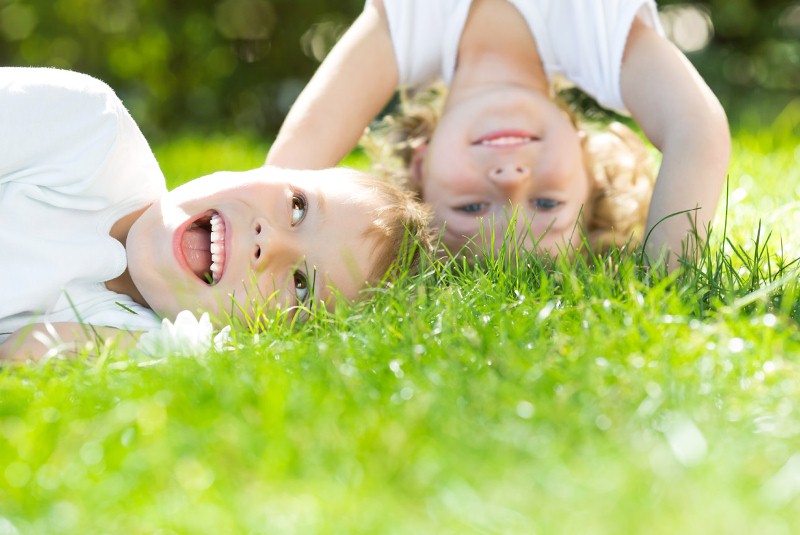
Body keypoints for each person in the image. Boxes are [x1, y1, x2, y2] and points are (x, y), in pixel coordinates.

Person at [0, 67, 431, 361]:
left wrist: (172, 348)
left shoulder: (137, 334)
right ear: (273, 168)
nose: (272, 244)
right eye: (297, 207)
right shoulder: (88, 128)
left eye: (301, 288)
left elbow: (26, 353)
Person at [266, 0, 731, 266]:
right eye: (547, 204)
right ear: (587, 163)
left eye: (472, 207)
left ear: (422, 167)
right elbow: (698, 130)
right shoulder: (591, 30)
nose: (511, 178)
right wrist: (664, 282)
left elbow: (280, 180)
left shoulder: (409, 28)